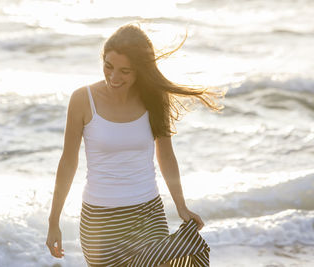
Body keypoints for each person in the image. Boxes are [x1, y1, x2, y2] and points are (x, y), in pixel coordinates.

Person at [46, 23, 226, 267]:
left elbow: (166, 156)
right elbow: (68, 161)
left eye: (125, 71)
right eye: (108, 66)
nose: (114, 77)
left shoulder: (153, 98)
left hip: (148, 214)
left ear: (140, 70)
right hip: (101, 222)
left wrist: (181, 206)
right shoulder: (82, 99)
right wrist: (54, 221)